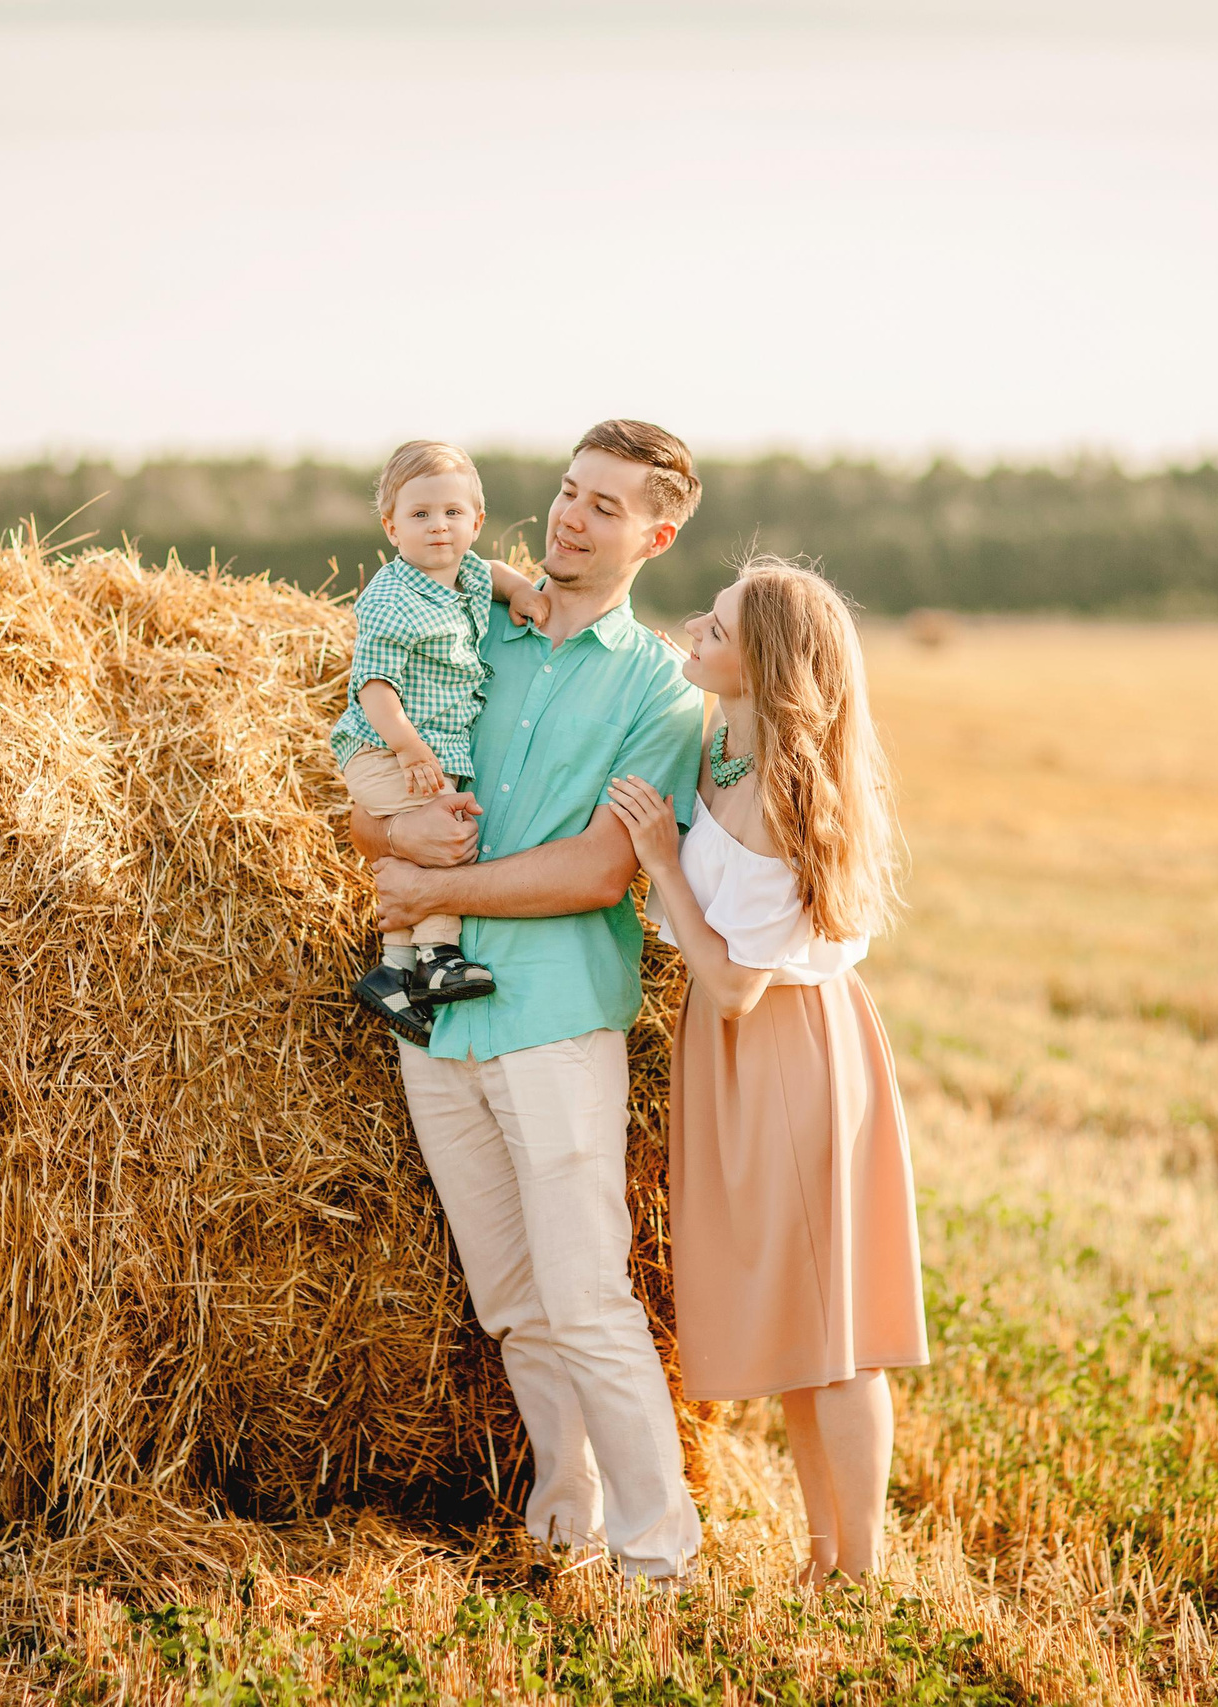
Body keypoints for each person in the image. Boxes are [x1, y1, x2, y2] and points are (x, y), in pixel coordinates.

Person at [359, 419, 708, 1581]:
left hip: (556, 1019)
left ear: (653, 536)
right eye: (567, 492)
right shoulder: (468, 630)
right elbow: (370, 809)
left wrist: (437, 880)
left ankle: (661, 1563)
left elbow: (599, 870)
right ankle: (569, 1520)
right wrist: (393, 844)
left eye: (605, 506)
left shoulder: (658, 687)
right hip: (440, 1018)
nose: (570, 516)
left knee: (586, 1295)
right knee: (510, 1298)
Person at [604, 556, 928, 1585]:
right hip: (741, 1057)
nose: (694, 627)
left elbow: (736, 984)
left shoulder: (783, 794)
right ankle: (821, 1556)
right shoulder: (728, 752)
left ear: (767, 663)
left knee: (834, 1330)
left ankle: (861, 1572)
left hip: (783, 1052)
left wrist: (659, 861)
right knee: (801, 1322)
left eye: (719, 623)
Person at [333, 440, 552, 1041]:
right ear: (391, 527)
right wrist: (405, 746)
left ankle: (394, 970)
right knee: (441, 835)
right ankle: (438, 958)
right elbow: (373, 687)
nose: (439, 527)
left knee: (421, 841)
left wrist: (526, 594)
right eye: (420, 515)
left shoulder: (472, 575)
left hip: (431, 751)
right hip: (385, 747)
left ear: (476, 522)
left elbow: (498, 574)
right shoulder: (390, 594)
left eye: (454, 513)